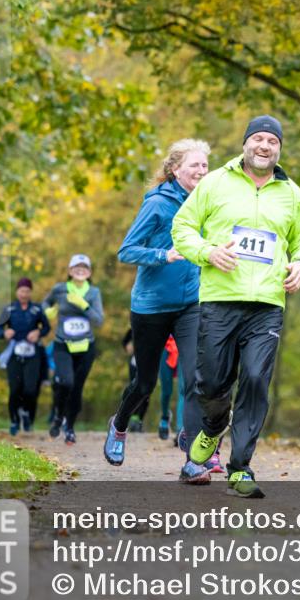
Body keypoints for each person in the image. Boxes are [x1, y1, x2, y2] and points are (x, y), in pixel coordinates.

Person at [172, 115, 300, 497]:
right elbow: (182, 228)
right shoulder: (215, 182)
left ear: (279, 148)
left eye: (272, 140)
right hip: (219, 299)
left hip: (267, 303)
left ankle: (241, 467)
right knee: (211, 383)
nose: (265, 146)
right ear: (245, 144)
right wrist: (207, 252)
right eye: (258, 139)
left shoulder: (291, 194)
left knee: (255, 379)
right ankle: (214, 425)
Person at [104, 139, 209, 478]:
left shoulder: (206, 203)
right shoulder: (158, 205)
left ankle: (193, 458)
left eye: (205, 165)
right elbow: (127, 250)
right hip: (151, 306)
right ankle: (119, 424)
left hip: (190, 304)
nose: (202, 171)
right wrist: (163, 255)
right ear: (175, 169)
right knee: (145, 382)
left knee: (194, 377)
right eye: (195, 165)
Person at [43, 254, 104, 445]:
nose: (80, 269)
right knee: (66, 383)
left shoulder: (93, 292)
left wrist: (83, 305)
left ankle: (69, 427)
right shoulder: (59, 289)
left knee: (77, 388)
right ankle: (58, 416)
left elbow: (99, 320)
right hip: (63, 345)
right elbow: (45, 303)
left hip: (86, 347)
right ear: (70, 271)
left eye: (84, 267)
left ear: (89, 272)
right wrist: (48, 312)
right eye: (76, 267)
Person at [0, 277, 50, 435]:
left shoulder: (37, 310)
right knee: (14, 389)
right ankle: (14, 420)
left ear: (30, 292)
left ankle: (26, 413)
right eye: (21, 291)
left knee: (30, 389)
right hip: (14, 353)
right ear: (16, 292)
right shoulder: (9, 309)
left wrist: (38, 332)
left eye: (27, 291)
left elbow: (46, 327)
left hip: (33, 354)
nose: (24, 294)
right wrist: (4, 333)